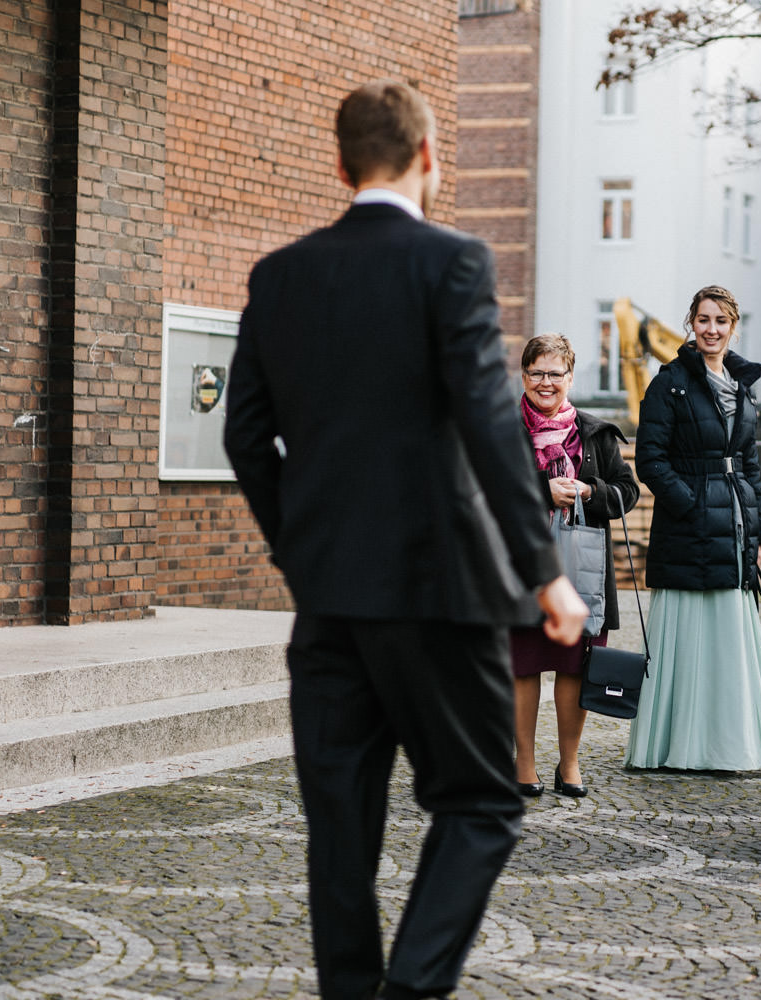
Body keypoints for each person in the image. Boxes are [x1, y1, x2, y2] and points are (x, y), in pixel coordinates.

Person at [223, 80, 586, 1000]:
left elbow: (243, 438)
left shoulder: (280, 276)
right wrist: (545, 573)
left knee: (339, 831)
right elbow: (489, 424)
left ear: (341, 165)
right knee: (480, 803)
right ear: (430, 158)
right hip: (440, 594)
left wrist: (299, 551)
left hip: (330, 602)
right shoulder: (451, 263)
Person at [625, 285, 761, 771]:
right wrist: (690, 502)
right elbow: (651, 461)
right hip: (688, 523)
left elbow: (750, 464)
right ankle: (681, 746)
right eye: (703, 319)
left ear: (733, 326)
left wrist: (760, 530)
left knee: (727, 636)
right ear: (691, 325)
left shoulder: (743, 385)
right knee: (690, 630)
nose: (712, 329)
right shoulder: (669, 382)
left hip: (736, 521)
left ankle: (728, 744)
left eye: (721, 320)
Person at [513, 333, 640, 797]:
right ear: (524, 376)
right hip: (520, 566)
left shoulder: (596, 433)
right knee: (523, 667)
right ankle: (523, 765)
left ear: (570, 376)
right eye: (537, 372)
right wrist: (539, 493)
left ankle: (569, 764)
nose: (546, 382)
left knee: (573, 667)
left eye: (555, 373)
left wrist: (589, 491)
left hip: (582, 572)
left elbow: (627, 492)